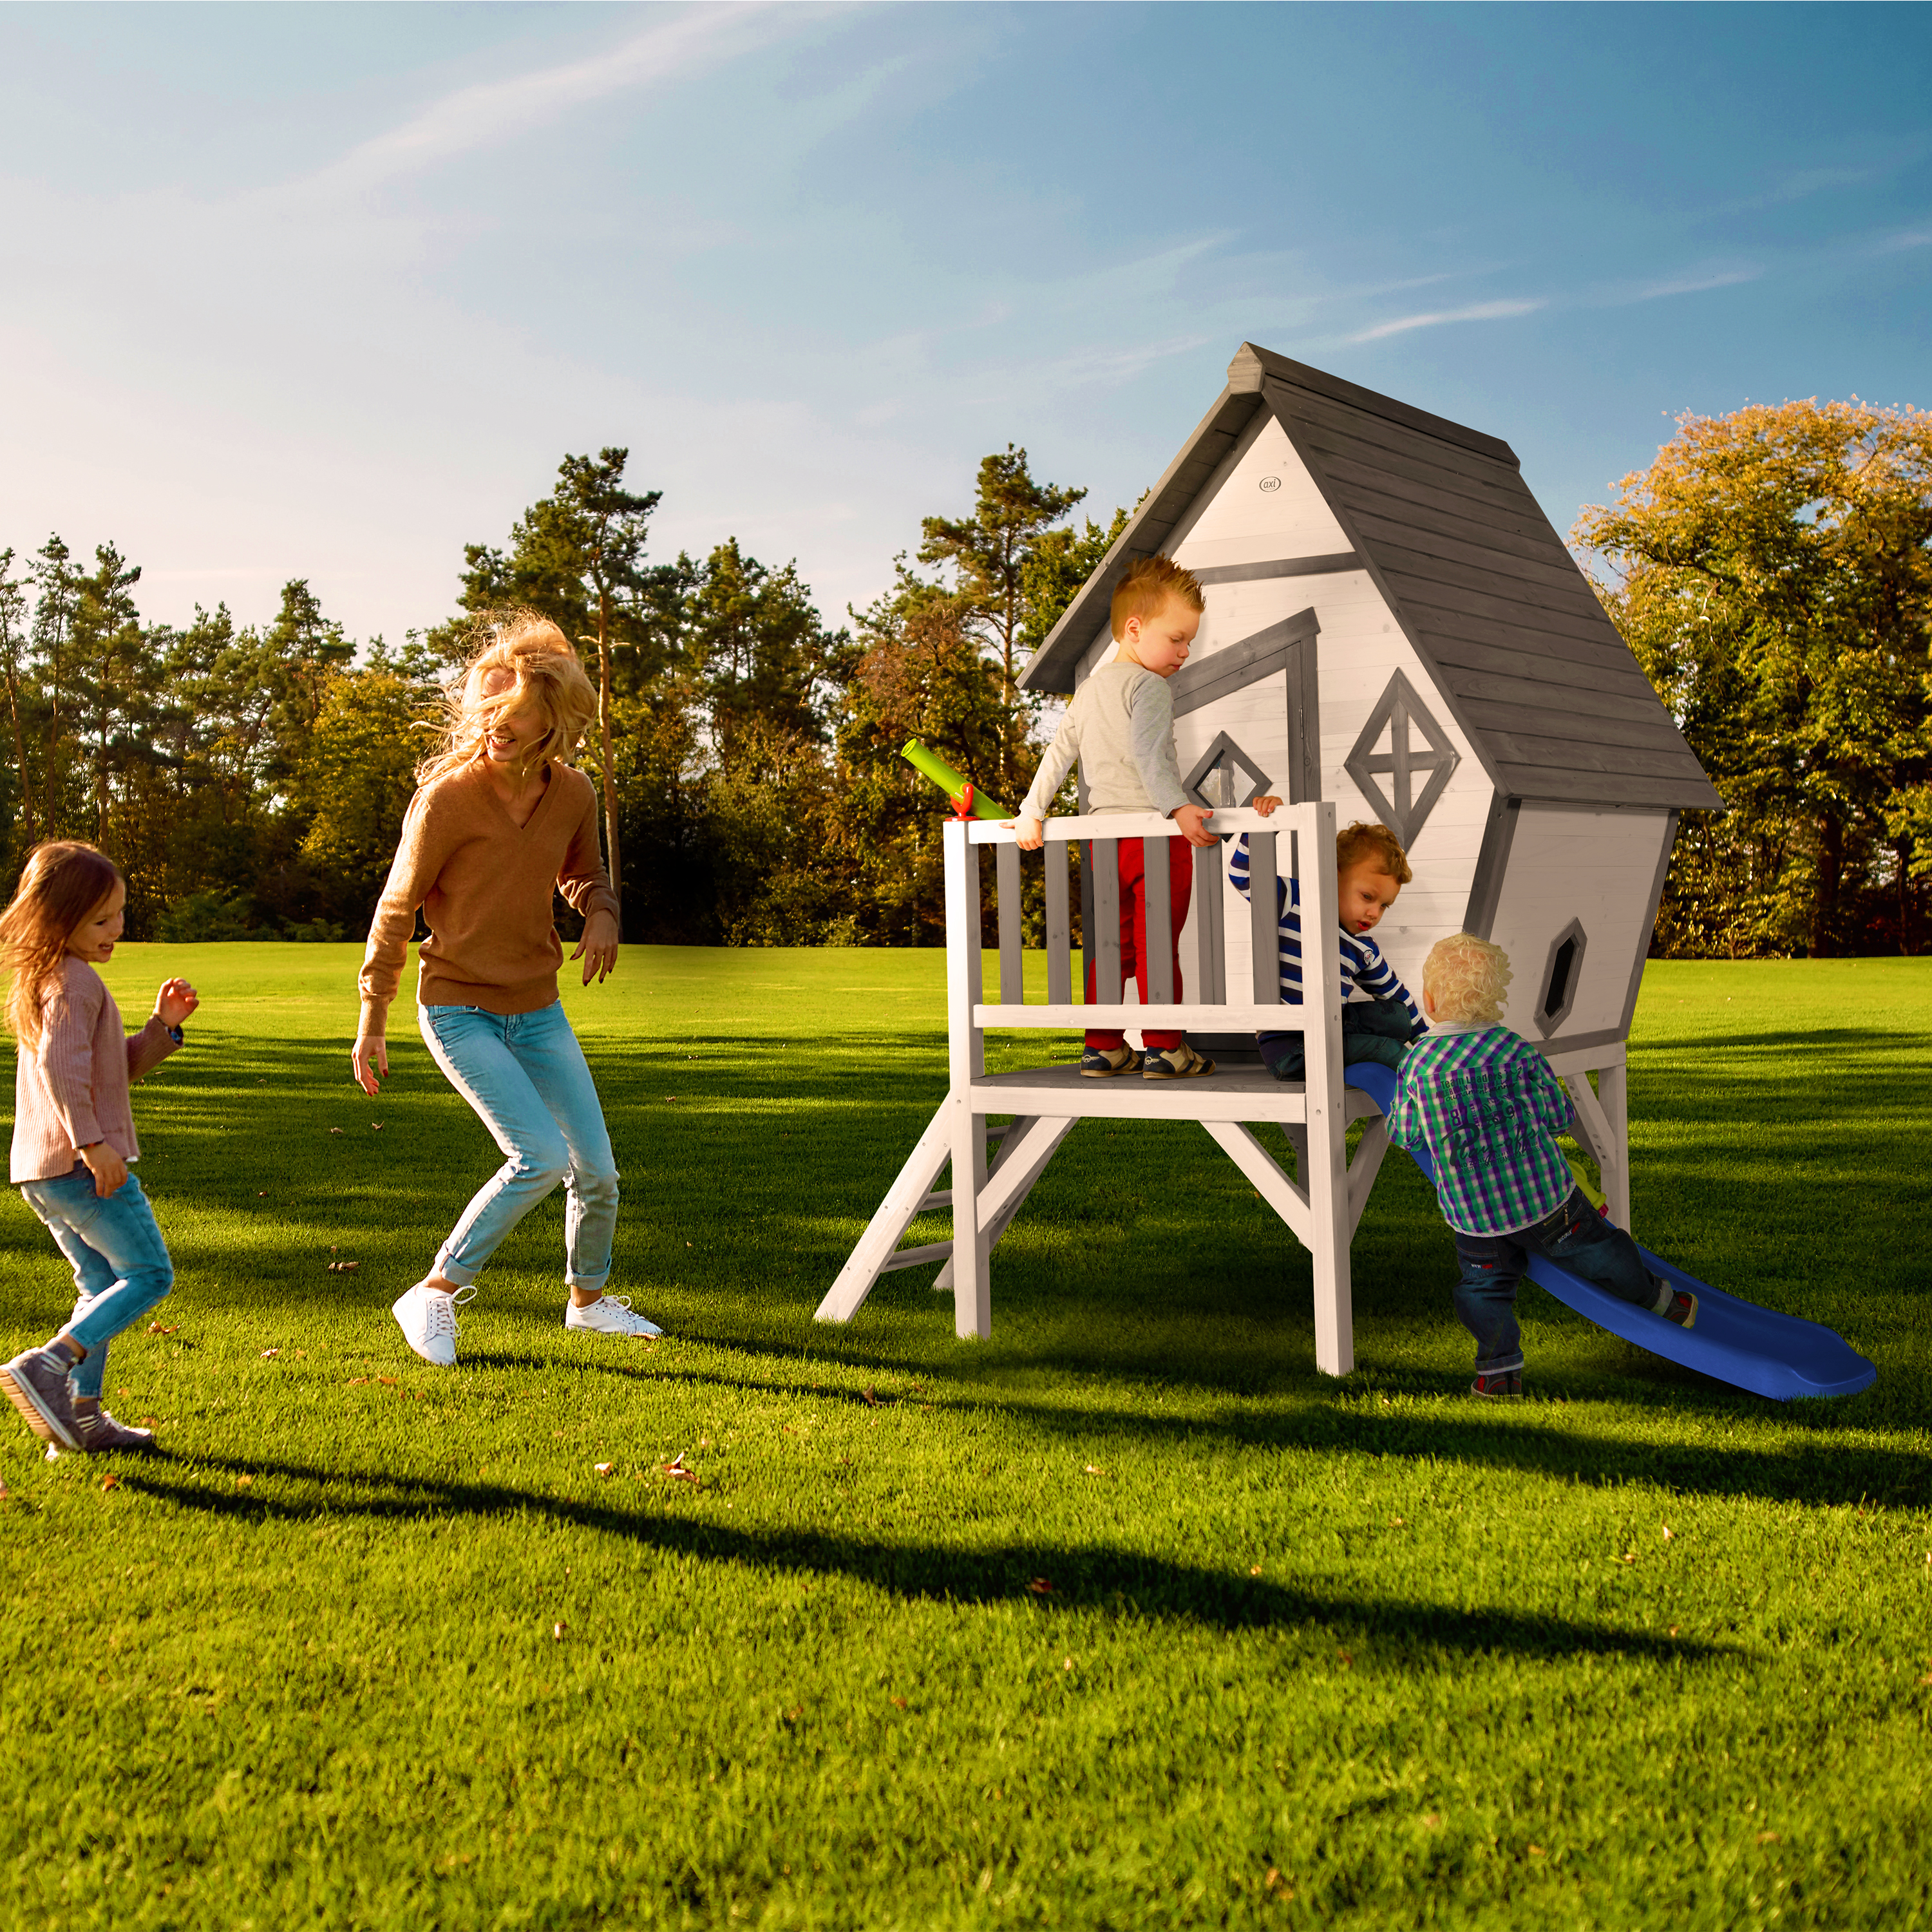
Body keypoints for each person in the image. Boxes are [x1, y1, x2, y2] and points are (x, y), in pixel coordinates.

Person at [353, 614, 659, 1368]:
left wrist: (602, 913)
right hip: (458, 1009)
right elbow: (396, 910)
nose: (494, 727)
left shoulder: (574, 794)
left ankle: (587, 1305)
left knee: (599, 1171)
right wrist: (372, 1018)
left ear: (552, 720)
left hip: (537, 1010)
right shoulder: (447, 799)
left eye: (511, 715)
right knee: (539, 1158)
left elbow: (584, 873)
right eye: (485, 712)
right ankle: (434, 1290)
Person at [1390, 931, 1696, 1399]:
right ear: (1496, 1001)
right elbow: (1558, 1115)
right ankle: (1662, 1302)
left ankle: (1499, 1371)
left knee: (1482, 1291)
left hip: (1478, 1217)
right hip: (1546, 1201)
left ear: (1429, 1001)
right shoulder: (1514, 1048)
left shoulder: (1418, 1063)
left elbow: (1404, 1134)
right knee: (1602, 1251)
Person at [0, 842, 197, 1454]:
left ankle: (81, 1417)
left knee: (102, 1283)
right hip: (78, 1166)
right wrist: (94, 1144)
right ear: (62, 920)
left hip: (42, 1173)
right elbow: (64, 1074)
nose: (117, 929)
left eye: (119, 914)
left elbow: (107, 1071)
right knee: (149, 1274)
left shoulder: (51, 979)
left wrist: (162, 1030)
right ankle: (47, 1367)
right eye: (102, 919)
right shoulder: (76, 983)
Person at [1012, 555, 1219, 1080]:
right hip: (1152, 835)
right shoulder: (1148, 688)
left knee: (1110, 945)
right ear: (1134, 629)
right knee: (1156, 944)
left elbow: (1058, 753)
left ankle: (1103, 1046)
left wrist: (1031, 810)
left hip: (1102, 843)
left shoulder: (1089, 691)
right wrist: (1178, 808)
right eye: (1177, 638)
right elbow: (1152, 755)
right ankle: (1166, 1048)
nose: (1185, 651)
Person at [1227, 810, 1425, 1081]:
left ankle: (1421, 1060)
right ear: (1334, 875)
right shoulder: (1295, 901)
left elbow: (1394, 993)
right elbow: (1241, 875)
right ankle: (1425, 1092)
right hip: (1291, 1048)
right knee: (1392, 1052)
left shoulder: (1363, 947)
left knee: (1400, 1017)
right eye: (1367, 897)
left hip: (1329, 1032)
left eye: (1383, 906)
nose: (1374, 913)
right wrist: (1267, 826)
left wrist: (1427, 1044)